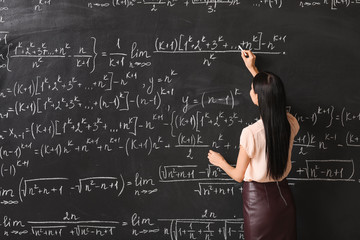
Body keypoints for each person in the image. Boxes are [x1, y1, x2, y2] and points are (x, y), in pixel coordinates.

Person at [207, 50, 300, 240]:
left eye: (252, 89)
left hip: (258, 204)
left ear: (257, 98)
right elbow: (270, 96)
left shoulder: (250, 133)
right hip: (284, 199)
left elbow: (238, 175)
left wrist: (221, 162)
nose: (250, 91)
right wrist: (253, 69)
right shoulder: (291, 123)